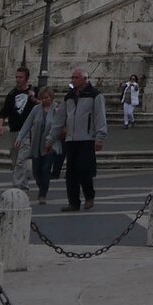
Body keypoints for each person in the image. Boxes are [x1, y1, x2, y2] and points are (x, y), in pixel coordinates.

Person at [58, 69, 106, 211]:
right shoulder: (68, 97)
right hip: (71, 139)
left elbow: (100, 117)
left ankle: (89, 196)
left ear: (85, 79)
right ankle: (73, 202)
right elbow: (60, 119)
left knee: (84, 169)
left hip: (87, 138)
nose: (73, 80)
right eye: (72, 77)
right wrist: (51, 138)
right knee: (71, 173)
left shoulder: (95, 95)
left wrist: (99, 137)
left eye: (76, 77)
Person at [0, 67, 36, 190]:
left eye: (20, 77)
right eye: (16, 77)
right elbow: (4, 111)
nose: (18, 80)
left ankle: (17, 186)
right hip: (14, 130)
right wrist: (0, 126)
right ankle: (23, 185)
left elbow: (45, 104)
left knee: (21, 160)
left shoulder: (33, 92)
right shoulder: (12, 94)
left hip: (27, 131)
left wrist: (33, 98)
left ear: (26, 79)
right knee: (15, 160)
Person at [23, 85, 63, 204]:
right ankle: (41, 186)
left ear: (51, 97)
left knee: (46, 169)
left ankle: (42, 193)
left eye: (47, 97)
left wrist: (51, 140)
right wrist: (20, 137)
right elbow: (27, 124)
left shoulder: (57, 109)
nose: (45, 100)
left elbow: (58, 126)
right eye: (42, 98)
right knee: (36, 171)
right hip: (37, 144)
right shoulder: (36, 109)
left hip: (51, 145)